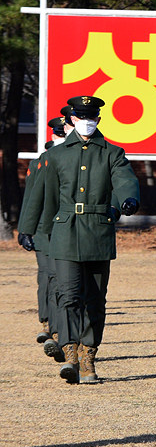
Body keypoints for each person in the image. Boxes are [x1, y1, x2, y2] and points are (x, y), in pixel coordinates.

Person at [18, 95, 140, 385]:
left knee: (95, 300)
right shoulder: (55, 156)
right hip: (64, 233)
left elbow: (124, 178)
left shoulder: (112, 152)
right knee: (69, 295)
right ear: (73, 119)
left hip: (98, 232)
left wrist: (129, 198)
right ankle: (70, 354)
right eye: (82, 117)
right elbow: (41, 194)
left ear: (98, 119)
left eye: (92, 117)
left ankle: (89, 357)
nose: (87, 122)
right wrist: (28, 227)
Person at [19, 116, 68, 360]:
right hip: (44, 229)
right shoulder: (41, 162)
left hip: (69, 228)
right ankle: (50, 324)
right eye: (58, 133)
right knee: (49, 277)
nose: (60, 137)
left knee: (63, 281)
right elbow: (32, 197)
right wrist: (25, 229)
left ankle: (62, 333)